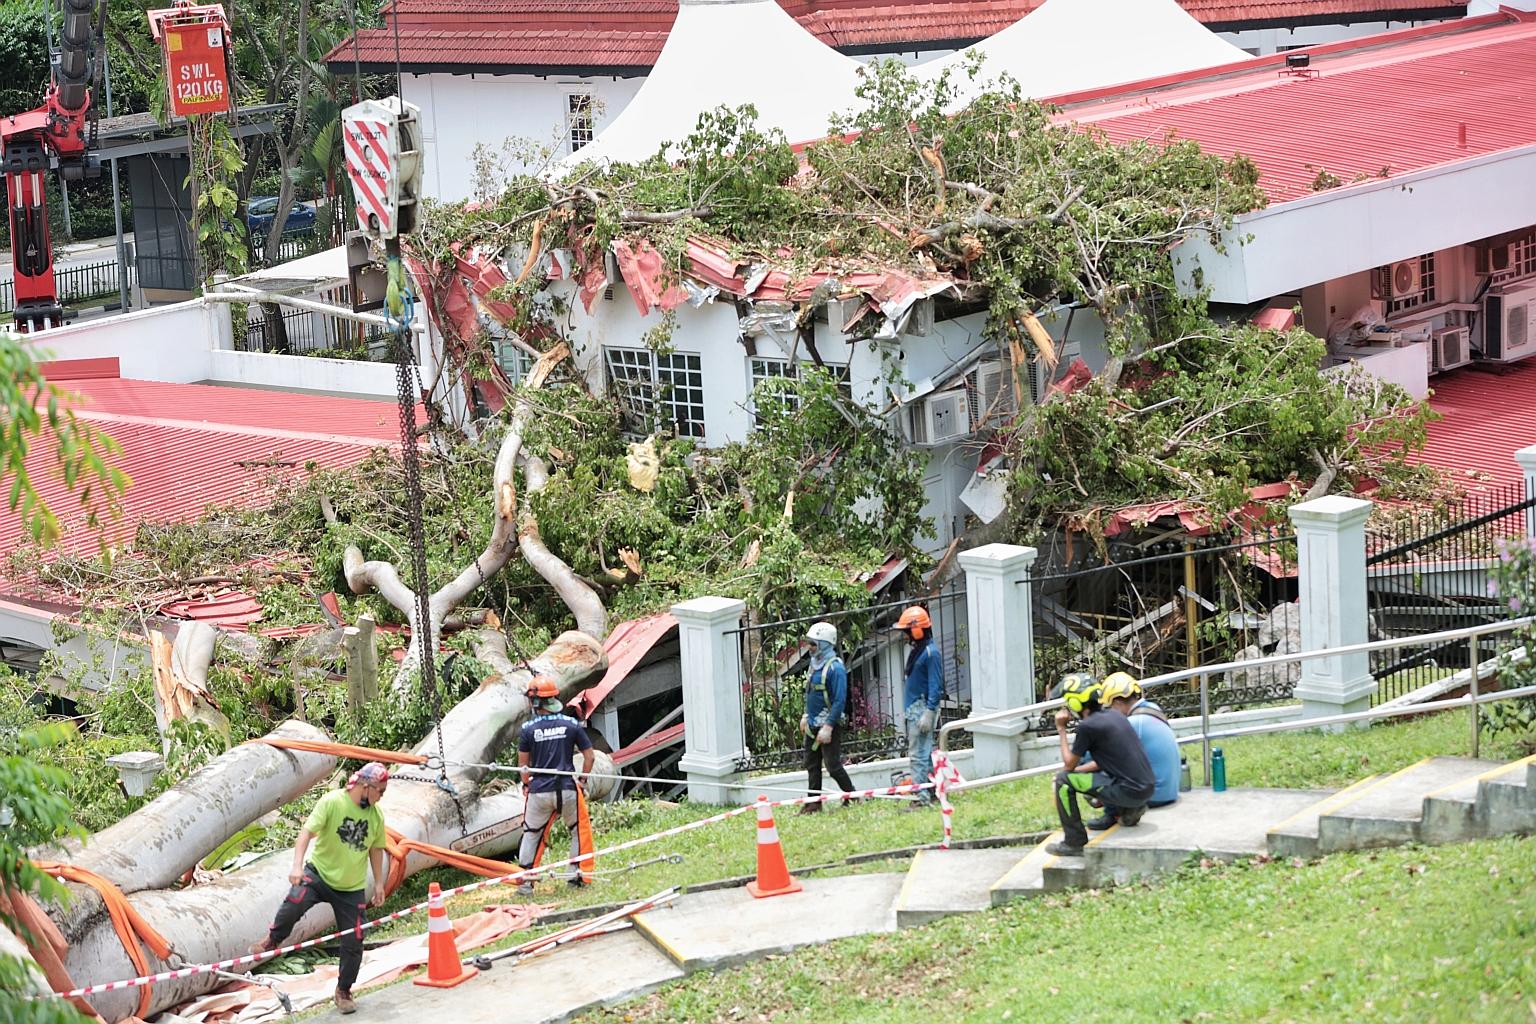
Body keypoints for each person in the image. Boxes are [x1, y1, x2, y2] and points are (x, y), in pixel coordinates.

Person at [253, 762, 390, 1015]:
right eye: (380, 791)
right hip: (319, 875)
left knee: (354, 940)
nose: (381, 797)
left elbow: (376, 849)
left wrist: (379, 883)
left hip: (351, 888)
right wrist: (296, 866)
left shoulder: (376, 816)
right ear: (366, 786)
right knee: (294, 902)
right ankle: (273, 939)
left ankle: (344, 990)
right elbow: (305, 834)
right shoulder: (332, 802)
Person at [1046, 673, 1155, 857]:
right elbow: (1104, 761)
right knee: (1099, 775)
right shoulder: (1115, 716)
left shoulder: (1087, 727)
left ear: (1075, 702)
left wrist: (1061, 729)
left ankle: (1074, 842)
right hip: (1146, 789)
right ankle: (1129, 811)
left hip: (1128, 791)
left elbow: (1069, 765)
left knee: (1063, 781)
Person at [516, 675, 596, 893]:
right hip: (568, 789)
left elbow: (523, 767)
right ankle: (577, 877)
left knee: (532, 834)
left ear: (535, 702)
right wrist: (583, 780)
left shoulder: (528, 729)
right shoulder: (572, 724)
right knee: (578, 831)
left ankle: (526, 883)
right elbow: (589, 757)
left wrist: (526, 785)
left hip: (539, 791)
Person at [1099, 672, 1181, 825]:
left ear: (1117, 703)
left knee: (1103, 772)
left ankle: (1110, 815)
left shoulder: (1133, 723)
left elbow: (1109, 758)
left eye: (1109, 707)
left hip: (1155, 796)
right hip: (1171, 791)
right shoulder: (1152, 709)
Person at [799, 620, 857, 813]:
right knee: (811, 763)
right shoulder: (814, 665)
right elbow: (810, 693)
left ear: (824, 644)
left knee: (832, 765)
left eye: (814, 644)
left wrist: (829, 726)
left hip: (829, 725)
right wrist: (806, 715)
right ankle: (813, 804)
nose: (810, 647)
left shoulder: (835, 668)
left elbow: (840, 701)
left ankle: (853, 797)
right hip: (813, 723)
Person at [892, 605, 943, 810]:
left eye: (907, 631)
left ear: (917, 630)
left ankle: (921, 797)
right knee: (924, 752)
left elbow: (935, 685)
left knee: (918, 754)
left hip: (922, 710)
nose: (905, 636)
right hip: (915, 709)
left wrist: (929, 712)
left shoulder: (930, 653)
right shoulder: (919, 651)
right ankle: (932, 791)